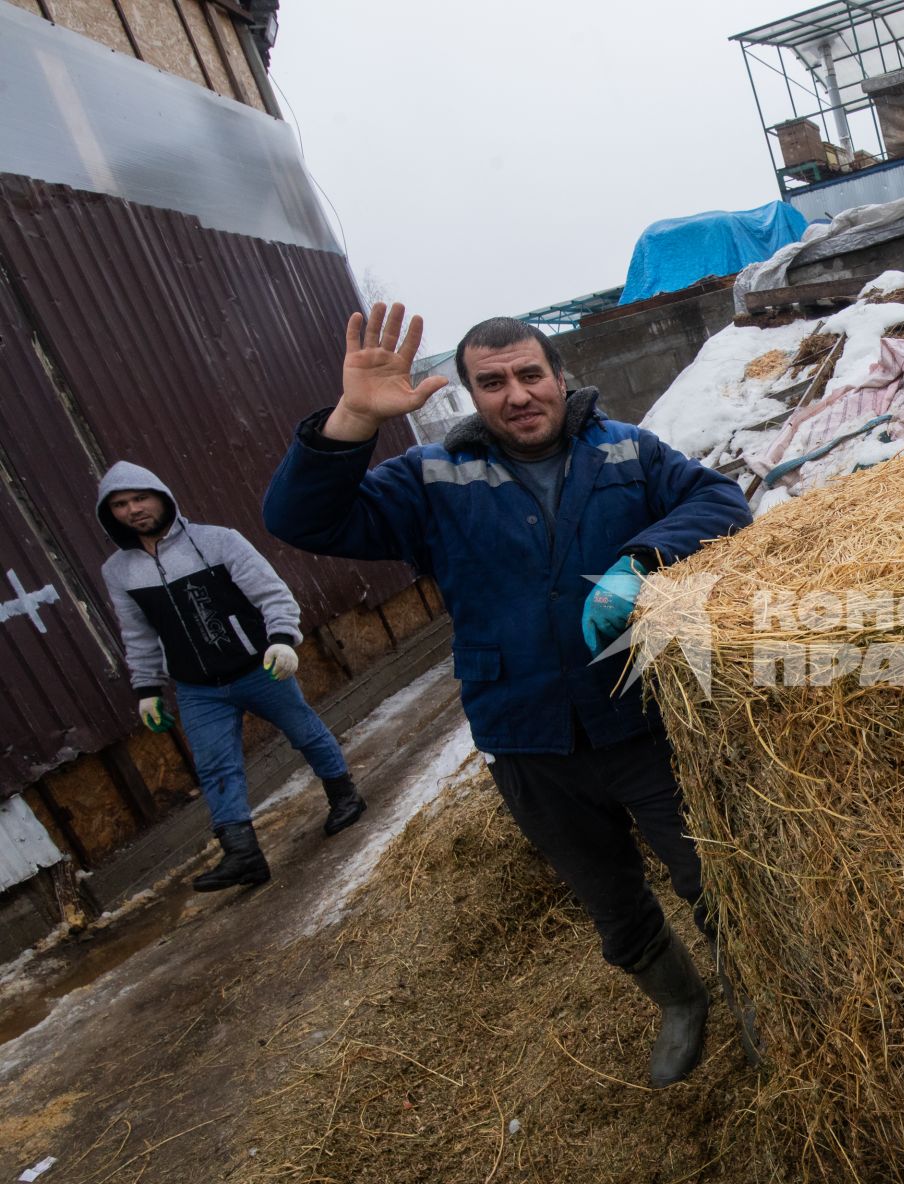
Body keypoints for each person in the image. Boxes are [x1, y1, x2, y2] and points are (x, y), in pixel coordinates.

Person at [262, 303, 752, 1087]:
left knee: (710, 876)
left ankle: (756, 994)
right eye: (492, 383)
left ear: (560, 378)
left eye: (530, 374)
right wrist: (353, 415)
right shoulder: (435, 479)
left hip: (641, 718)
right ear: (470, 397)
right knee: (611, 900)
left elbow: (722, 501)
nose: (517, 394)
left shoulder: (626, 451)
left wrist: (640, 558)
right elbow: (301, 518)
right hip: (528, 737)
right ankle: (680, 1003)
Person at [97, 463, 367, 892]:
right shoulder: (119, 571)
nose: (133, 510)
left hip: (256, 667)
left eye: (139, 498)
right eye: (120, 504)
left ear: (161, 496)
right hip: (197, 688)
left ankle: (345, 796)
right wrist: (146, 689)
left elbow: (270, 592)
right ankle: (244, 855)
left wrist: (281, 639)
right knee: (215, 766)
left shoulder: (217, 540)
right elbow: (138, 634)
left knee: (305, 732)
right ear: (110, 514)